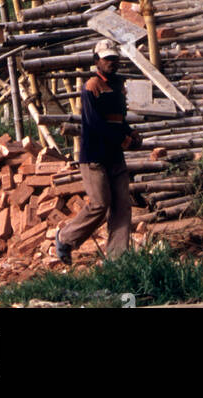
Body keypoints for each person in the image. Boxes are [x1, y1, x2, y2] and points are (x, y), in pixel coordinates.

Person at [54, 40, 141, 264]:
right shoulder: (92, 86)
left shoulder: (118, 87)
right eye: (106, 59)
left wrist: (131, 135)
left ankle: (117, 259)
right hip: (95, 155)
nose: (111, 62)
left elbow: (118, 121)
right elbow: (95, 124)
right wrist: (122, 138)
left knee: (122, 206)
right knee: (100, 204)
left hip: (114, 155)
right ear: (96, 61)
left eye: (114, 58)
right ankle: (66, 238)